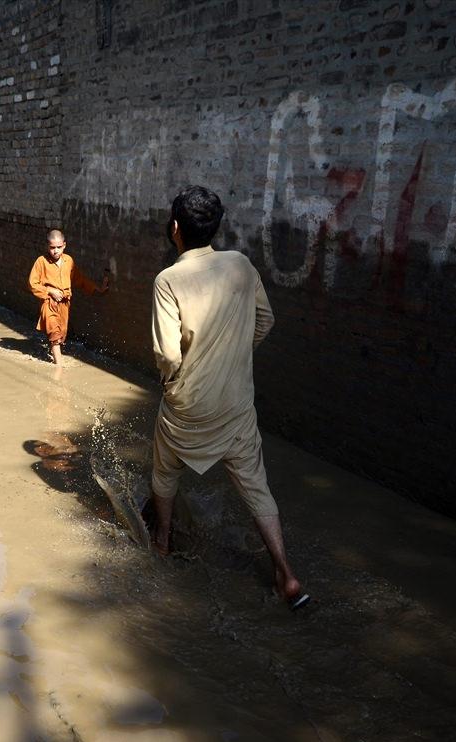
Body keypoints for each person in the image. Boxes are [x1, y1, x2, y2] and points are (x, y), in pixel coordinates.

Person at [149, 185, 310, 611]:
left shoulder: (168, 280)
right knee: (256, 486)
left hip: (187, 405)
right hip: (236, 404)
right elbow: (265, 320)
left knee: (165, 470)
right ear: (215, 227)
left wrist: (172, 379)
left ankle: (162, 543)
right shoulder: (240, 264)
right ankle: (287, 575)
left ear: (176, 228)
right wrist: (234, 357)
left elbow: (167, 354)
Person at [27, 229, 110, 366]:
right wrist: (50, 291)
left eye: (59, 247)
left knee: (61, 334)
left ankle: (53, 352)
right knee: (54, 331)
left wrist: (98, 289)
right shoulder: (41, 262)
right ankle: (59, 365)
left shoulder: (68, 261)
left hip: (65, 304)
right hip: (49, 303)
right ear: (47, 246)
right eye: (52, 248)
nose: (55, 251)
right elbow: (32, 283)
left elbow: (80, 280)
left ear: (64, 245)